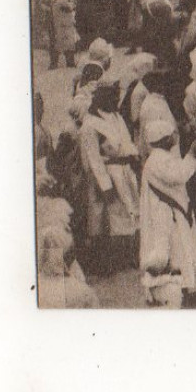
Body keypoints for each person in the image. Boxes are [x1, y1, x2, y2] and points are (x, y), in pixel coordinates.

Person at [137, 117, 196, 306]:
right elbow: (178, 175)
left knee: (180, 250)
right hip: (165, 216)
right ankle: (176, 291)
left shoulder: (162, 157)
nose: (175, 136)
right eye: (172, 134)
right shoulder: (157, 160)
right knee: (174, 252)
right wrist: (191, 155)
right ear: (164, 139)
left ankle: (182, 289)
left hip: (172, 213)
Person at [76, 82, 140, 274]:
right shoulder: (90, 125)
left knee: (130, 213)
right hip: (107, 176)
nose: (116, 101)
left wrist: (134, 157)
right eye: (112, 97)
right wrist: (105, 186)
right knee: (108, 219)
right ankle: (108, 260)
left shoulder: (116, 116)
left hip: (124, 170)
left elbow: (126, 141)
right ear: (100, 98)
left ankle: (128, 255)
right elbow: (93, 159)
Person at [39, 0, 81, 70]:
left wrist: (69, 6)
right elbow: (41, 3)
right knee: (54, 41)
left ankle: (70, 61)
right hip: (54, 19)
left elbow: (74, 2)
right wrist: (48, 9)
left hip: (66, 19)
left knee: (69, 41)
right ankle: (53, 62)